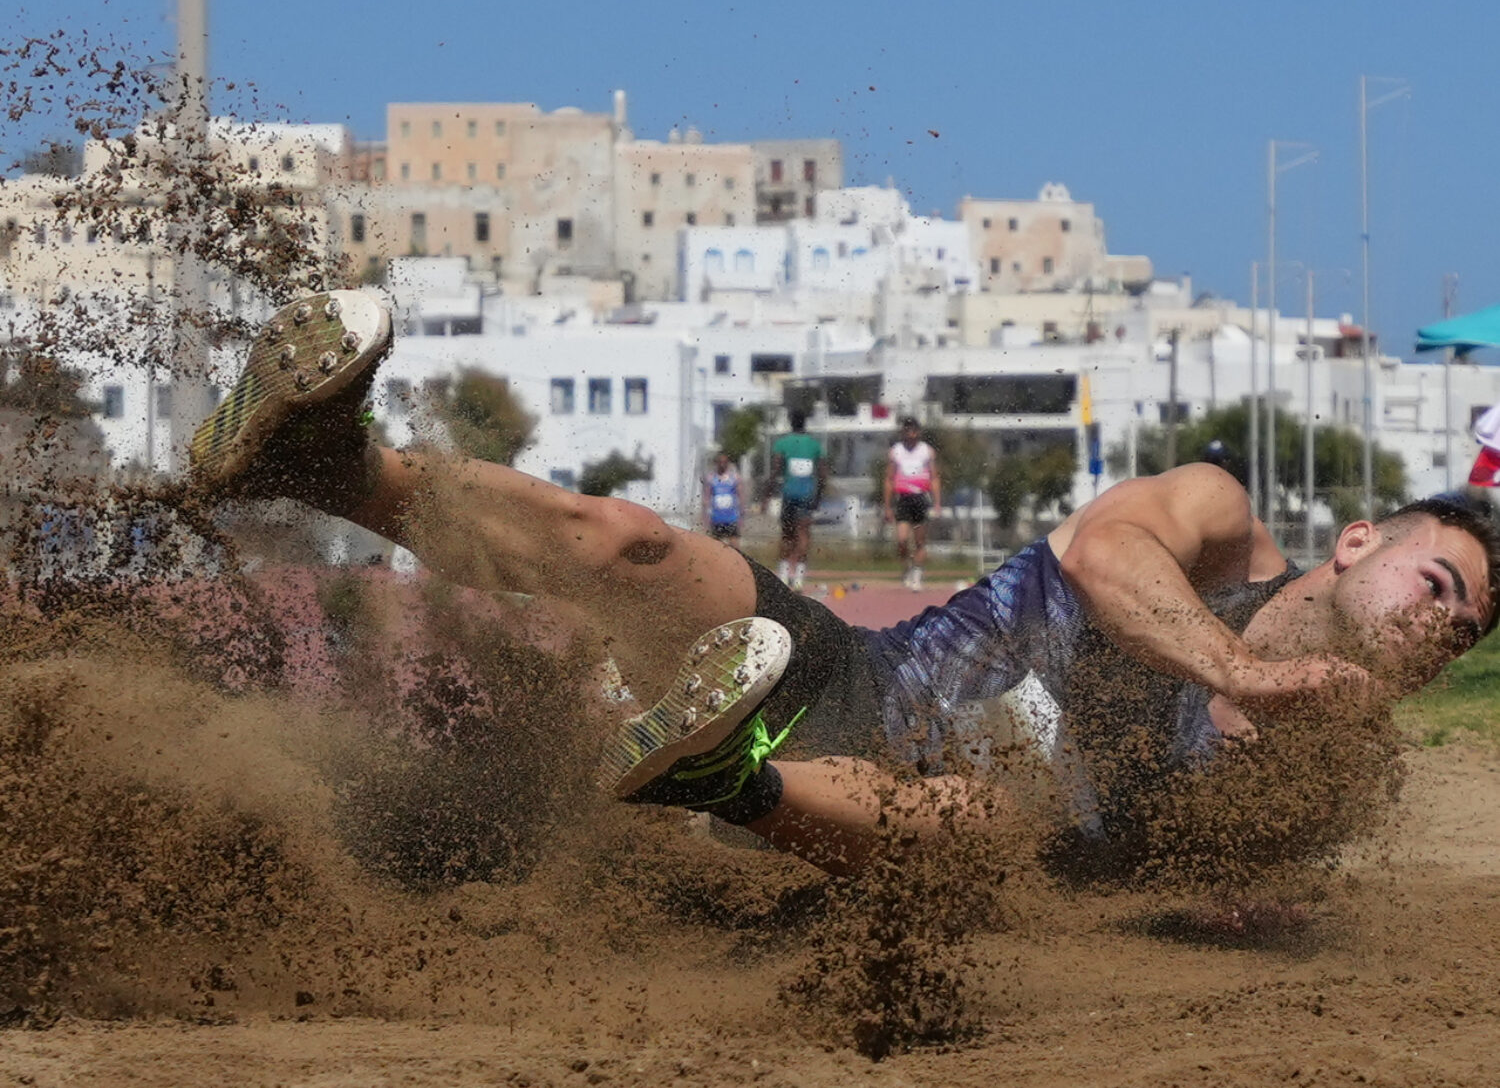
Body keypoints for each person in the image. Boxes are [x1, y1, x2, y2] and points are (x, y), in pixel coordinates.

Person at [192, 290, 1500, 880]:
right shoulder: (1222, 525)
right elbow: (1105, 554)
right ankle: (328, 465)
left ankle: (712, 773)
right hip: (851, 672)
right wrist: (1241, 670)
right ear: (1358, 541)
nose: (1447, 621)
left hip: (917, 831)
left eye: (1468, 625)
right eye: (1440, 579)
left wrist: (1279, 743)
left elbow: (1164, 875)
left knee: (1003, 826)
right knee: (634, 550)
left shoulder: (1326, 769)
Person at [766, 409, 827, 592]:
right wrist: (818, 496)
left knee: (786, 534)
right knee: (803, 534)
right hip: (807, 494)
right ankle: (799, 577)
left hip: (789, 493)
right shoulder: (815, 446)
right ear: (805, 423)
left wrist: (767, 492)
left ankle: (784, 575)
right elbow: (823, 474)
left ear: (791, 423)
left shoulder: (783, 444)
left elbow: (775, 470)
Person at [883, 416, 941, 590]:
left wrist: (937, 502)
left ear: (918, 432)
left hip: (921, 498)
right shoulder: (896, 451)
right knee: (901, 539)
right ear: (903, 432)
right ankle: (907, 567)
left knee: (920, 541)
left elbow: (935, 477)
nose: (911, 434)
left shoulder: (926, 451)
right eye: (907, 430)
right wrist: (887, 505)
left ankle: (917, 573)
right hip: (903, 498)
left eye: (914, 430)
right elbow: (888, 479)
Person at [702, 449, 747, 548]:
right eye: (720, 462)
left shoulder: (735, 477)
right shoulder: (710, 478)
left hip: (732, 518)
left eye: (725, 462)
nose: (722, 465)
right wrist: (705, 519)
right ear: (716, 463)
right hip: (716, 518)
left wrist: (742, 516)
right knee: (715, 547)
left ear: (728, 463)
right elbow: (706, 499)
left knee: (735, 546)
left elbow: (741, 498)